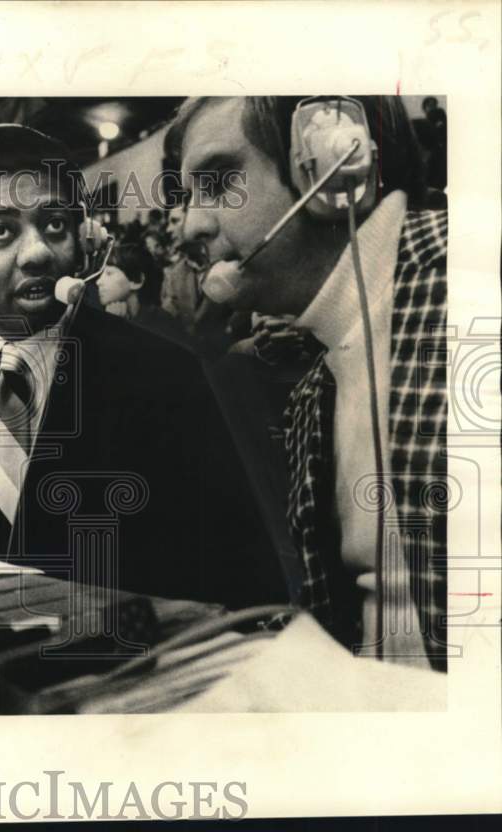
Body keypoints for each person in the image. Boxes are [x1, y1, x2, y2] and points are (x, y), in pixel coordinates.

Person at [0, 124, 284, 606]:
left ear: (85, 239)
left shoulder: (161, 373)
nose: (40, 252)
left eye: (55, 225)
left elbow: (242, 577)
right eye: (1, 231)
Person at [165, 95, 447, 672]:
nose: (192, 224)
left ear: (338, 161)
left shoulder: (468, 291)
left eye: (220, 180)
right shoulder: (318, 381)